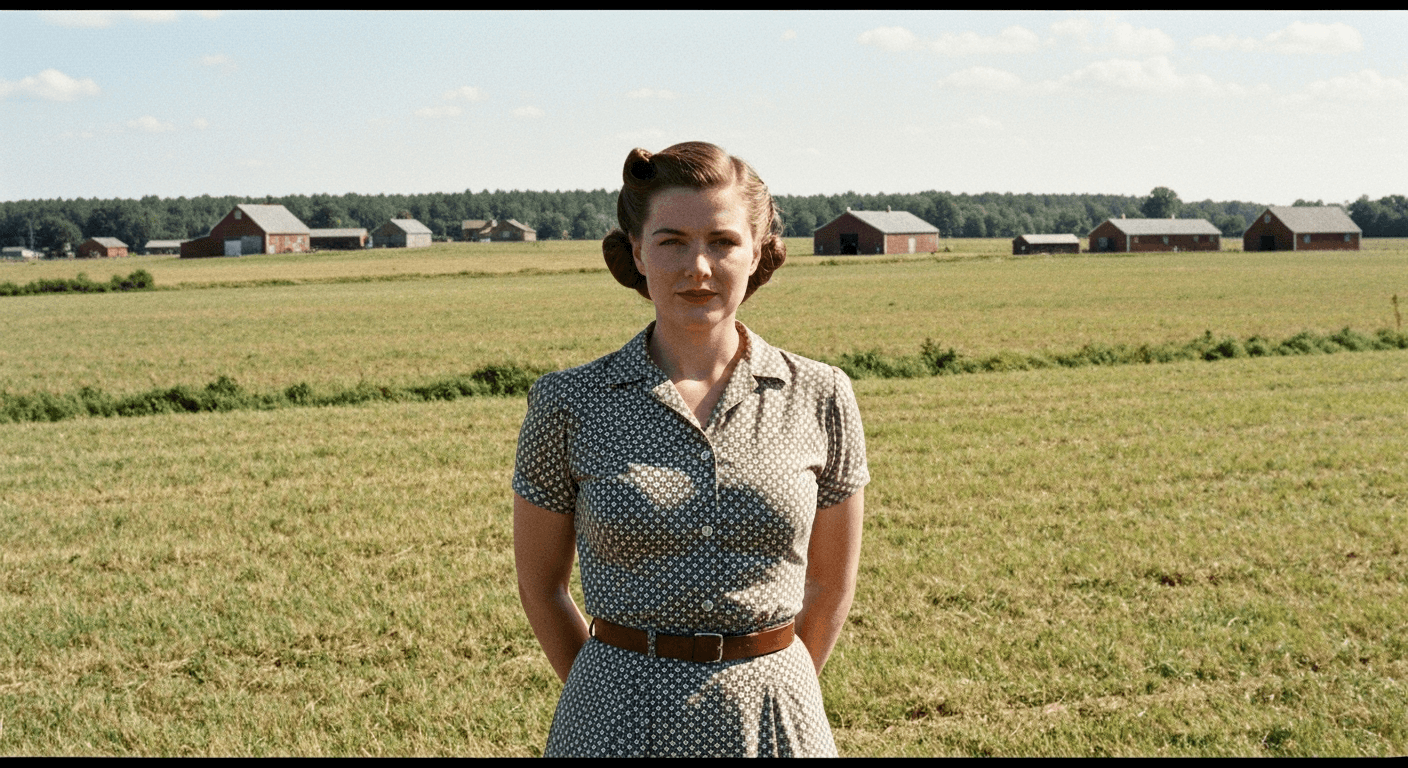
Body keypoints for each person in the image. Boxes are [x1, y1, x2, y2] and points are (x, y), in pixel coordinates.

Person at [512, 141, 868, 757]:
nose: (697, 267)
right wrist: (607, 693)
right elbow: (543, 589)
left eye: (723, 241)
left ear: (757, 252)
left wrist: (775, 683)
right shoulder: (568, 402)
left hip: (776, 717)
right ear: (637, 253)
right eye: (671, 241)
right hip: (612, 719)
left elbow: (830, 588)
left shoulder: (821, 393)